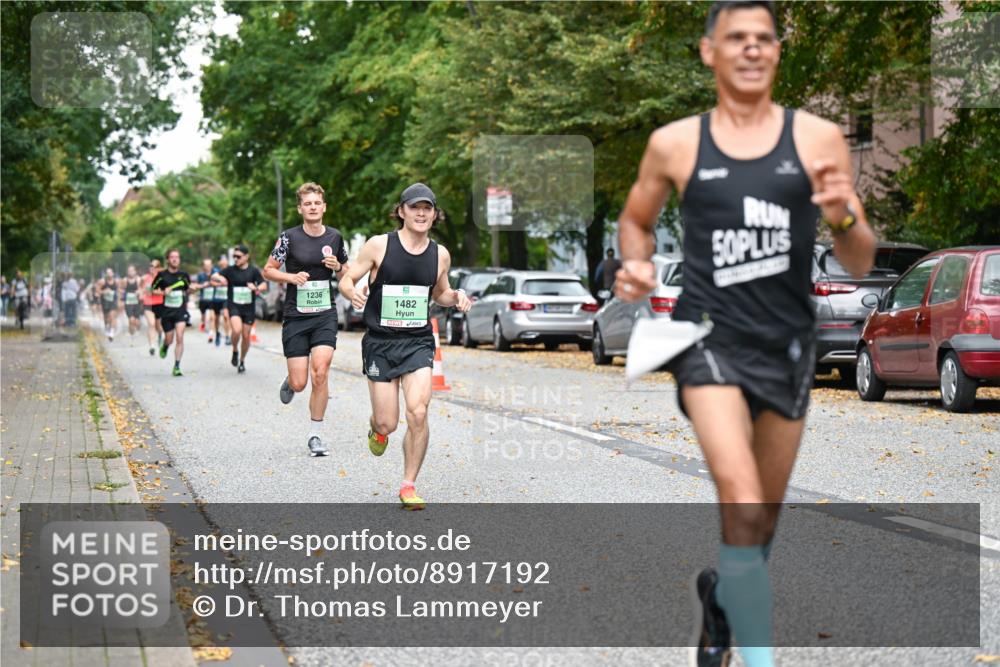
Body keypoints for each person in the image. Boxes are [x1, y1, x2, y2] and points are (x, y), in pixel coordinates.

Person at [613, 3, 876, 666]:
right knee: (741, 492)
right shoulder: (675, 143)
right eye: (737, 38)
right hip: (706, 336)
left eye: (764, 39)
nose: (752, 49)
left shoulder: (818, 139)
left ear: (778, 52)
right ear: (709, 52)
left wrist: (841, 213)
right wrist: (637, 262)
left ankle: (721, 604)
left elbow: (862, 259)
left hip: (788, 343)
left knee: (761, 519)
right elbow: (636, 219)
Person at [339, 183, 472, 510]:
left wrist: (455, 297)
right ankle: (377, 430)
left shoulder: (439, 254)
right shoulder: (379, 245)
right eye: (415, 207)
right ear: (402, 211)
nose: (422, 213)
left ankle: (409, 484)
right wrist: (350, 291)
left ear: (435, 214)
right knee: (388, 422)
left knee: (419, 411)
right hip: (380, 343)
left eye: (428, 208)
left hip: (417, 343)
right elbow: (347, 277)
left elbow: (440, 293)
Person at [263, 182, 349, 457]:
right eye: (307, 203)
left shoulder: (335, 237)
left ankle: (315, 435)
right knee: (301, 382)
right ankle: (290, 381)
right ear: (300, 208)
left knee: (320, 372)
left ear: (324, 207)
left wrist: (338, 268)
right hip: (296, 316)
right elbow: (268, 270)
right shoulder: (288, 238)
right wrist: (291, 277)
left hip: (325, 314)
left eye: (317, 203)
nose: (312, 207)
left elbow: (346, 272)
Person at [211, 244, 266, 373]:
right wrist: (220, 278)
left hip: (248, 308)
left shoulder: (253, 271)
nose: (236, 259)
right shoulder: (230, 270)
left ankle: (242, 361)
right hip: (234, 305)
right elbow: (214, 276)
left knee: (246, 336)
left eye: (238, 256)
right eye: (234, 256)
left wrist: (256, 288)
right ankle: (235, 349)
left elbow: (263, 284)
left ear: (246, 257)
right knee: (236, 330)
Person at [152, 249, 192, 376]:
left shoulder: (184, 275)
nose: (175, 259)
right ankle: (165, 345)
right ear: (168, 260)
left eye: (177, 257)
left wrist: (193, 289)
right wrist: (163, 292)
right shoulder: (161, 275)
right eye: (172, 257)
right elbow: (153, 290)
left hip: (180, 311)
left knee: (180, 336)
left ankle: (177, 366)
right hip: (167, 312)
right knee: (169, 339)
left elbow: (188, 289)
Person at [142, 259, 164, 356]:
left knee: (158, 326)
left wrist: (154, 291)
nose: (152, 268)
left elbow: (164, 292)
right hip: (148, 303)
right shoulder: (145, 278)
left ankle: (160, 335)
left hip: (159, 303)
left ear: (158, 268)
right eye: (151, 266)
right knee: (151, 324)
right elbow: (144, 290)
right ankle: (152, 346)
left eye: (155, 267)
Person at [194, 258, 217, 341]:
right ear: (203, 266)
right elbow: (197, 286)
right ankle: (203, 323)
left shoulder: (215, 274)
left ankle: (211, 333)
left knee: (212, 317)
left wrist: (213, 284)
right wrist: (203, 285)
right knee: (203, 316)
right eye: (206, 265)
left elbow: (220, 283)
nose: (207, 267)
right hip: (203, 299)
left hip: (212, 299)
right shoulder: (201, 275)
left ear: (211, 265)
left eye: (209, 265)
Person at [121, 265, 144, 343]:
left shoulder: (139, 280)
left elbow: (143, 289)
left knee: (136, 321)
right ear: (127, 272)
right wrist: (122, 295)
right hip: (128, 302)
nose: (131, 272)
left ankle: (135, 329)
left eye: (132, 270)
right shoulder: (124, 280)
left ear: (135, 271)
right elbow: (120, 289)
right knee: (131, 319)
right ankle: (131, 335)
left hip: (137, 302)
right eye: (129, 271)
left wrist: (139, 292)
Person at [95, 268, 119, 341]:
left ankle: (111, 333)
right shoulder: (102, 282)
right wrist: (104, 292)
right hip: (105, 301)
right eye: (107, 273)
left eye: (110, 272)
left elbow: (120, 290)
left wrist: (120, 300)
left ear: (113, 273)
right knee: (106, 318)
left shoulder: (116, 281)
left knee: (112, 316)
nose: (109, 274)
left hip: (113, 301)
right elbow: (97, 291)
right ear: (106, 274)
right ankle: (107, 327)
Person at [214, 254, 232, 346]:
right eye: (222, 260)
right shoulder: (216, 271)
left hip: (226, 297)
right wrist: (219, 284)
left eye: (225, 260)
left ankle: (227, 336)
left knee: (226, 316)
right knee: (216, 317)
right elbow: (211, 281)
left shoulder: (230, 271)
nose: (224, 262)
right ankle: (217, 332)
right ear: (219, 262)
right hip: (217, 298)